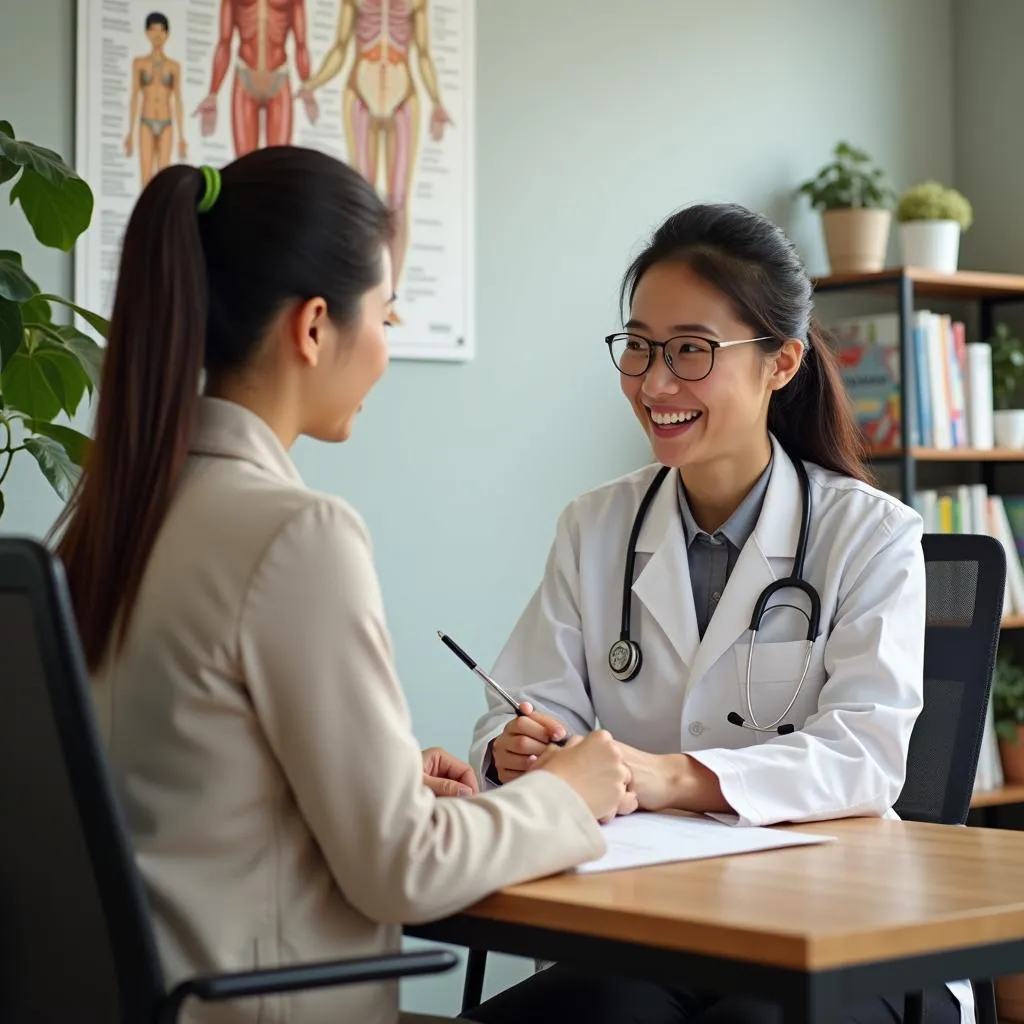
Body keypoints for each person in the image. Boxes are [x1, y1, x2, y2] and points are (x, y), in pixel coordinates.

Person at [49, 146, 636, 1024]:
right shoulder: (295, 534)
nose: (388, 350)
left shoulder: (106, 518)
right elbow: (404, 870)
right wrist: (568, 793)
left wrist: (387, 774)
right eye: (389, 318)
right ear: (316, 327)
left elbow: (179, 779)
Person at [466, 203, 969, 1024]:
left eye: (691, 351)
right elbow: (524, 703)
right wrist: (518, 749)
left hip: (839, 932)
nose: (655, 383)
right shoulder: (596, 527)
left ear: (783, 362)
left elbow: (866, 756)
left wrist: (671, 775)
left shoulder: (871, 536)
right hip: (647, 926)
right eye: (639, 347)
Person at [300, 0, 452, 323]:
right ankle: (361, 296)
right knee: (362, 199)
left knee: (397, 200)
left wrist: (437, 102)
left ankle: (389, 299)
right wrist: (312, 85)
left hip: (404, 93)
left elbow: (424, 54)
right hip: (360, 90)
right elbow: (340, 48)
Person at [124, 11, 186, 185]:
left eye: (161, 31)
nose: (157, 35)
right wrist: (129, 133)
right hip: (146, 121)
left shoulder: (174, 66)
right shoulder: (140, 63)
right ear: (147, 33)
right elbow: (135, 97)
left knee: (164, 177)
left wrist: (182, 136)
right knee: (145, 176)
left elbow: (178, 100)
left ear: (166, 34)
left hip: (166, 122)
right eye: (153, 30)